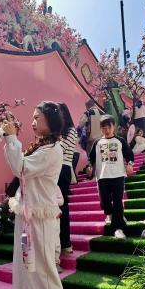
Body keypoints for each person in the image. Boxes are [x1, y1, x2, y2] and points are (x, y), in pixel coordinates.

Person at [1, 101, 67, 289]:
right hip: (28, 217)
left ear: (51, 120)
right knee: (29, 268)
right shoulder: (41, 146)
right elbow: (20, 169)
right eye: (33, 116)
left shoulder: (52, 149)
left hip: (41, 220)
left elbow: (21, 168)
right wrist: (9, 139)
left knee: (44, 271)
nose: (33, 121)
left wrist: (11, 138)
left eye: (37, 117)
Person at [88, 115, 134, 239]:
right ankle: (110, 213)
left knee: (118, 202)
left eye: (109, 127)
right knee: (105, 202)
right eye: (104, 128)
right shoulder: (97, 142)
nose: (107, 130)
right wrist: (90, 167)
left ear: (114, 126)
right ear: (101, 128)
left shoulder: (120, 141)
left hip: (118, 175)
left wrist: (130, 164)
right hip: (102, 176)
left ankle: (118, 229)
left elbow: (129, 155)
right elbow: (91, 158)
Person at [56, 103, 78, 270]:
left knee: (61, 207)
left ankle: (65, 244)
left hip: (62, 168)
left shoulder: (69, 130)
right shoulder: (64, 130)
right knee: (60, 207)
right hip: (59, 168)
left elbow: (60, 149)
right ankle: (64, 244)